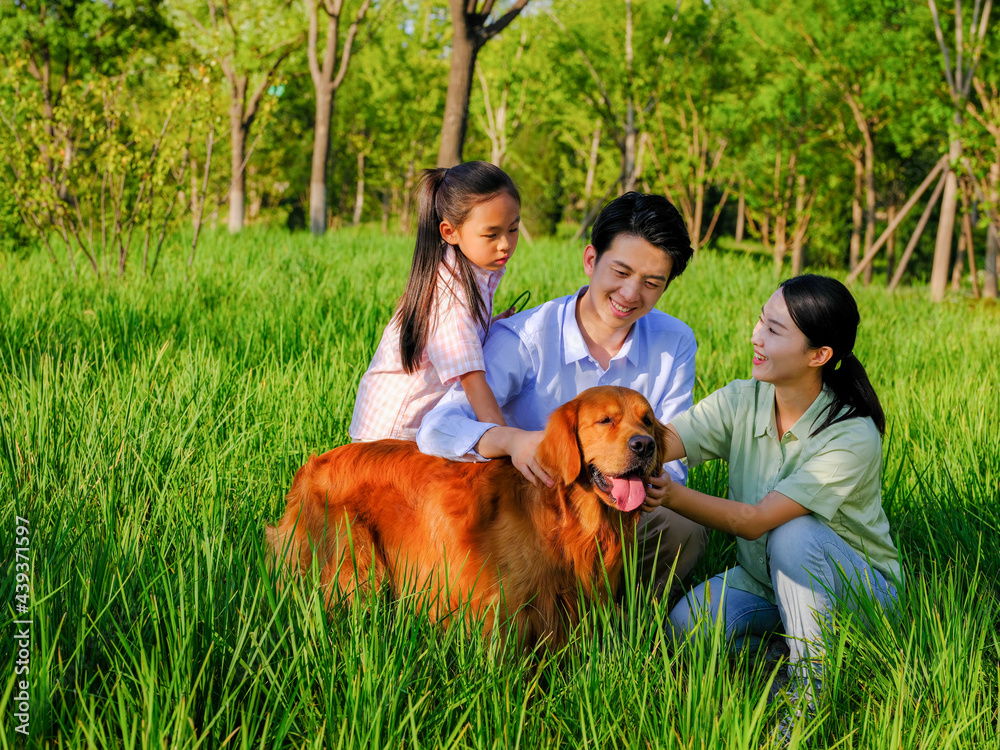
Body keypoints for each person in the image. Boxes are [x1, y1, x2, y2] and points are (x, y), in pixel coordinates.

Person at [417, 191, 707, 598]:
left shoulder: (674, 342)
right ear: (591, 260)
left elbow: (672, 449)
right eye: (620, 272)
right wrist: (513, 440)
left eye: (651, 283)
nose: (630, 293)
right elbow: (436, 427)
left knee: (686, 529)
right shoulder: (525, 338)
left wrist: (651, 481)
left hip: (624, 510)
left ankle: (621, 627)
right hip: (531, 515)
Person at [649, 274, 902, 719]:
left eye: (774, 330)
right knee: (684, 629)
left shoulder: (851, 434)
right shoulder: (741, 399)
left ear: (819, 356)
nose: (755, 336)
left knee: (793, 533)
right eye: (761, 321)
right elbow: (660, 442)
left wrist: (668, 494)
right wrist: (616, 450)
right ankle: (785, 656)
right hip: (764, 581)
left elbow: (755, 521)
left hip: (858, 594)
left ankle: (809, 695)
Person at [350, 161, 521, 442]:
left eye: (513, 229)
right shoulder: (449, 294)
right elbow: (473, 383)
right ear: (450, 232)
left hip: (409, 428)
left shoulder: (469, 269)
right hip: (391, 436)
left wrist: (490, 325)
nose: (505, 243)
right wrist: (509, 443)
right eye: (491, 234)